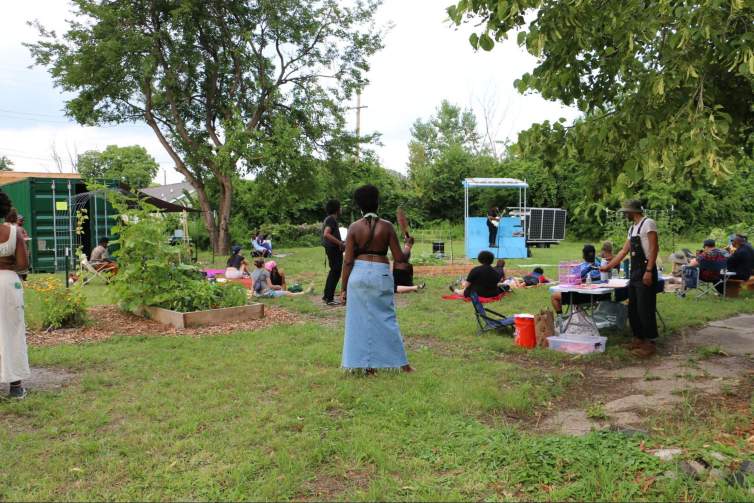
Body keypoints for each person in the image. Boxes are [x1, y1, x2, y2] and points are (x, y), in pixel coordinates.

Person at [341, 184, 414, 373]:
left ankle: (366, 366)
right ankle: (403, 365)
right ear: (377, 203)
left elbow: (348, 261)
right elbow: (400, 259)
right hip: (381, 273)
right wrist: (408, 246)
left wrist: (343, 288)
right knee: (387, 318)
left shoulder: (354, 227)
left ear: (359, 206)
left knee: (358, 321)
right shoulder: (387, 226)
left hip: (357, 275)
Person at [600, 200, 659, 358]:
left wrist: (648, 271)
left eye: (626, 212)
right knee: (633, 307)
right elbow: (624, 251)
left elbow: (654, 248)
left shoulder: (649, 223)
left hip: (646, 269)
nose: (625, 214)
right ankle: (638, 338)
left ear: (633, 211)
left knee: (645, 308)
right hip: (635, 271)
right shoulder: (632, 228)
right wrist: (609, 266)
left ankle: (650, 342)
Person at [0, 191, 30, 399]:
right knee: (13, 329)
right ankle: (16, 386)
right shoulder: (13, 232)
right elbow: (22, 264)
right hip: (9, 282)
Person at [551, 244, 602, 313]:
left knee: (554, 296)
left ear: (583, 255)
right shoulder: (601, 266)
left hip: (580, 296)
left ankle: (560, 318)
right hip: (597, 297)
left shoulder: (580, 267)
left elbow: (570, 280)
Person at [322, 199, 345, 306]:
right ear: (336, 209)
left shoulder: (330, 219)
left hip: (332, 249)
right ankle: (329, 298)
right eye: (340, 207)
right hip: (333, 249)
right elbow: (326, 234)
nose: (341, 209)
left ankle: (327, 295)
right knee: (336, 272)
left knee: (333, 271)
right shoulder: (331, 219)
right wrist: (340, 243)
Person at [5, 209, 30, 280]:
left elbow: (25, 236)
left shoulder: (20, 228)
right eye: (20, 220)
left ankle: (23, 275)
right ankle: (21, 274)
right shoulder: (17, 228)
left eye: (23, 220)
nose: (22, 221)